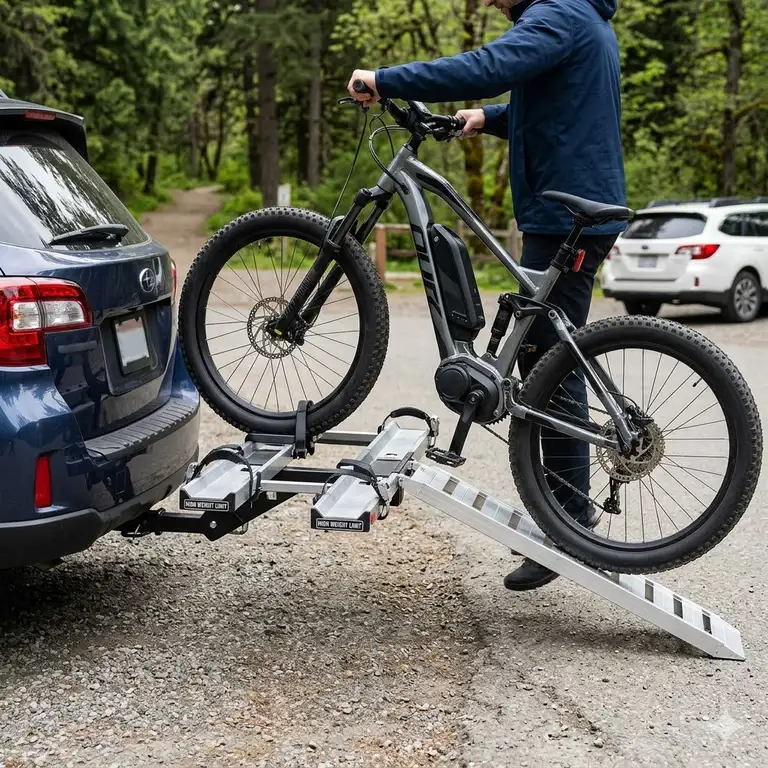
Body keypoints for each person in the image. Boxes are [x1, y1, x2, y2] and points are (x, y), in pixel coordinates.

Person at [348, 0, 627, 591]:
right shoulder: (581, 17)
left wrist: (386, 78)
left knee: (551, 363)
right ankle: (568, 520)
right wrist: (486, 118)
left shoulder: (558, 14)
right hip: (567, 202)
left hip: (564, 211)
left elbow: (489, 64)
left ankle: (571, 525)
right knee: (545, 356)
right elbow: (552, 104)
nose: (497, 3)